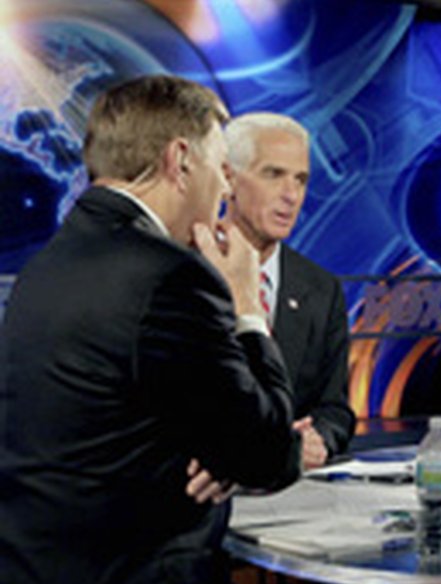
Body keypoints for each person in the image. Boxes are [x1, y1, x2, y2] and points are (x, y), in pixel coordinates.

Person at [0, 75, 302, 583]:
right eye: (218, 167)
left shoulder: (47, 266)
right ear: (180, 160)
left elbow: (116, 418)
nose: (226, 187)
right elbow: (270, 454)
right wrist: (247, 305)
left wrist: (220, 451)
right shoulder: (171, 277)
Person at [224, 113, 354, 468]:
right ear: (228, 178)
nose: (291, 195)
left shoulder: (321, 289)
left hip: (293, 497)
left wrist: (318, 441)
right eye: (273, 174)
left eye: (300, 180)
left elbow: (335, 409)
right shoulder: (182, 272)